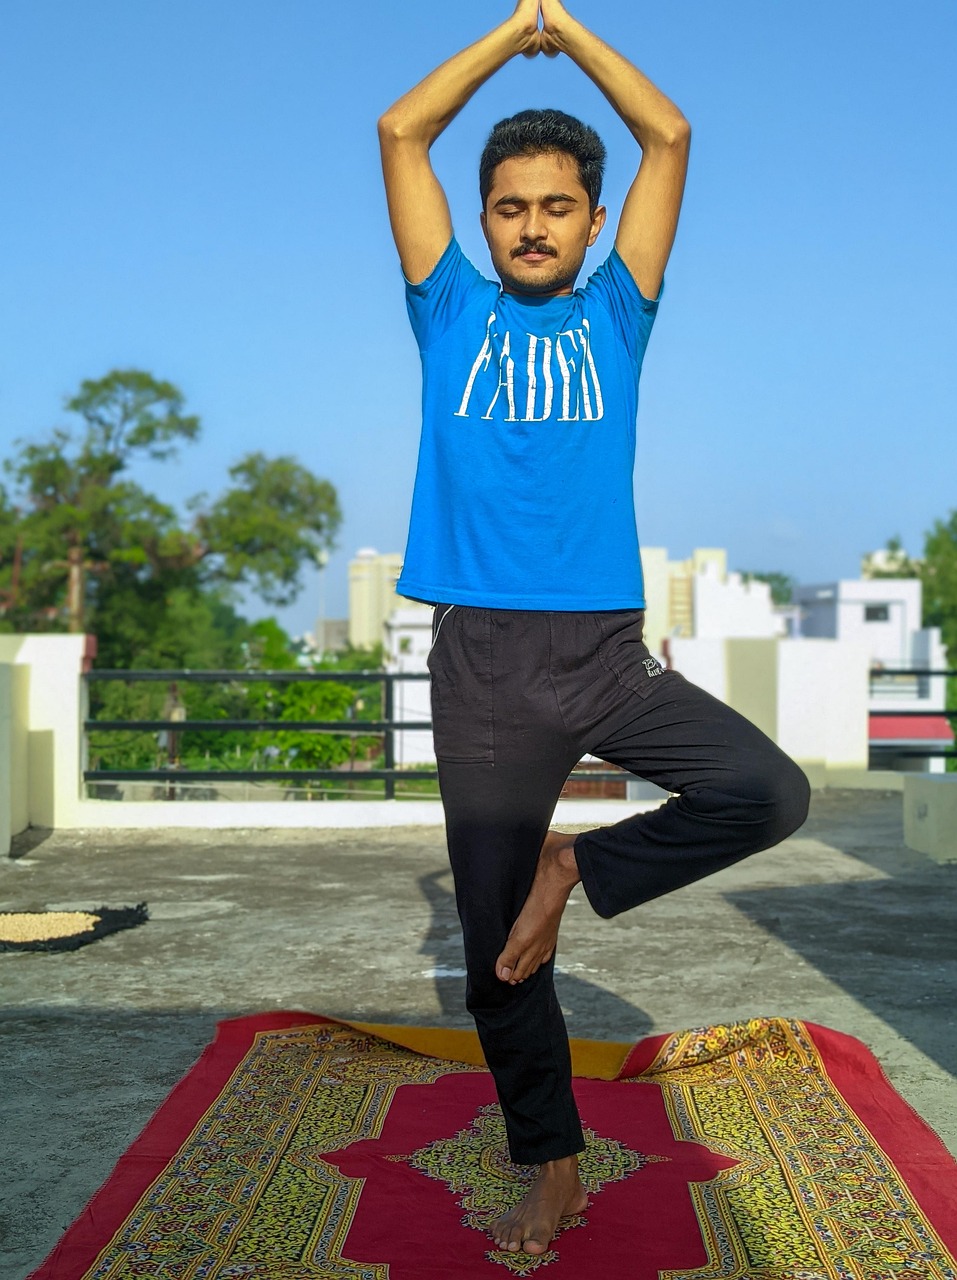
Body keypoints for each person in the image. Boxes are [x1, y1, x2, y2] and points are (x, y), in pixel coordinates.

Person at [378, 0, 810, 1257]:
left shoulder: (619, 312)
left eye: (556, 206)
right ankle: (552, 1163)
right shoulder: (446, 309)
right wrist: (508, 33)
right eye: (509, 206)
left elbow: (668, 134)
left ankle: (578, 865)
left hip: (606, 653)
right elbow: (402, 131)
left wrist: (564, 28)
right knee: (497, 952)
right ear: (482, 219)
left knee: (768, 790)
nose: (531, 225)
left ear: (593, 218)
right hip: (484, 663)